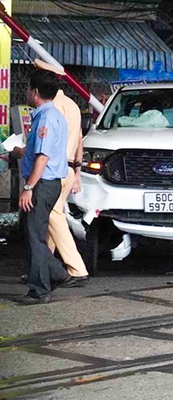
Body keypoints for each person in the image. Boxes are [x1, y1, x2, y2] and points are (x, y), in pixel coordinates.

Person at [14, 70, 70, 304]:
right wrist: (20, 153)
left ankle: (39, 289)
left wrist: (28, 187)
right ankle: (57, 274)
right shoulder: (54, 115)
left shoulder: (45, 119)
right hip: (49, 183)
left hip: (42, 183)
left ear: (35, 92)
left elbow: (43, 157)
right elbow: (39, 151)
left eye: (28, 88)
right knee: (32, 233)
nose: (27, 92)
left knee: (35, 236)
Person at [35, 59, 90, 286]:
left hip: (54, 170)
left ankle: (76, 268)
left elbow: (47, 146)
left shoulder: (52, 109)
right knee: (52, 218)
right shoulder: (73, 105)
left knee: (53, 216)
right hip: (68, 169)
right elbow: (79, 141)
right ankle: (43, 267)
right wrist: (77, 173)